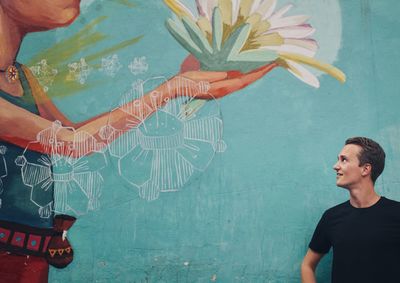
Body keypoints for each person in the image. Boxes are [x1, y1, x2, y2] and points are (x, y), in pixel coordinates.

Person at [0, 1, 278, 282]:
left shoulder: (20, 74)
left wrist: (181, 83)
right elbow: (73, 142)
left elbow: (73, 131)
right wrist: (171, 89)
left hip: (31, 248)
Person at [301, 137, 400, 283]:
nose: (336, 166)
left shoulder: (396, 213)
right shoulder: (331, 217)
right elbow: (307, 265)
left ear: (365, 169)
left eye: (344, 160)